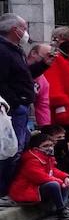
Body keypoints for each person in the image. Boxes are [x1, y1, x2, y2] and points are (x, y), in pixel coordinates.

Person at [0, 13, 36, 199]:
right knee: (11, 150)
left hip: (21, 106)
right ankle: (3, 191)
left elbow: (22, 75)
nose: (26, 32)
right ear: (16, 30)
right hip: (14, 109)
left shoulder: (14, 49)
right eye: (24, 27)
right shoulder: (3, 51)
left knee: (19, 148)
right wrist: (16, 102)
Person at [7, 130, 69, 220]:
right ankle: (61, 210)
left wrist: (65, 177)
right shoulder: (31, 160)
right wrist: (61, 182)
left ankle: (63, 207)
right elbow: (40, 177)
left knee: (66, 180)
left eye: (51, 145)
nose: (50, 148)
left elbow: (53, 170)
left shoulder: (46, 157)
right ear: (35, 149)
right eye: (45, 146)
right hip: (26, 190)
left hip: (35, 187)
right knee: (54, 184)